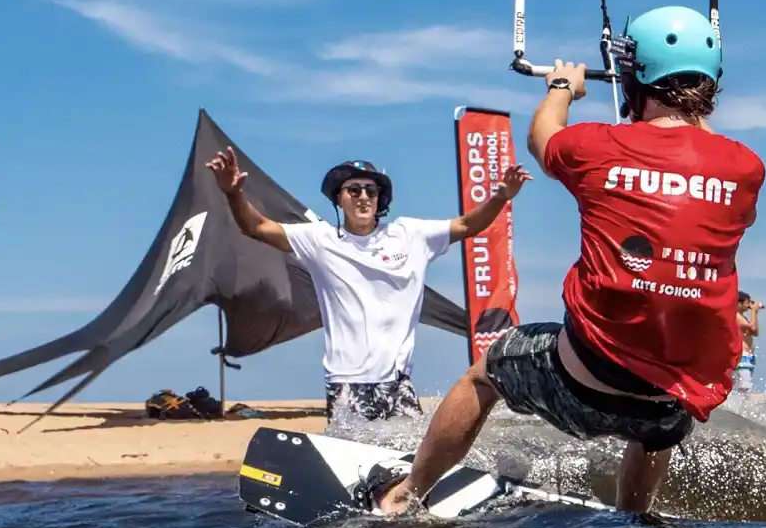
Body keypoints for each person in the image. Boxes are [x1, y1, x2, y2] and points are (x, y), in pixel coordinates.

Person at [371, 4, 765, 516]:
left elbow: (542, 138)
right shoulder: (746, 168)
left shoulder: (598, 147)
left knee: (484, 375)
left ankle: (407, 494)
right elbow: (694, 167)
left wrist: (562, 86)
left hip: (584, 378)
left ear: (632, 74)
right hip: (673, 402)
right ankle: (634, 519)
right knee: (661, 407)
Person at [206, 147, 530, 422]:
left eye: (371, 191)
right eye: (353, 190)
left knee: (413, 474)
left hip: (399, 384)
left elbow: (466, 224)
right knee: (357, 471)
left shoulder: (410, 235)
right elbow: (257, 227)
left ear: (380, 199)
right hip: (346, 383)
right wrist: (233, 193)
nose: (363, 197)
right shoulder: (319, 239)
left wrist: (500, 196)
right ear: (339, 199)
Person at [735, 291, 764, 395]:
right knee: (745, 387)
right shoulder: (736, 316)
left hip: (748, 358)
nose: (749, 305)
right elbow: (753, 329)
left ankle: (740, 405)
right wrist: (754, 312)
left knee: (744, 387)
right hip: (742, 358)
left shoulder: (743, 317)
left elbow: (755, 333)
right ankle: (741, 408)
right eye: (747, 303)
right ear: (739, 303)